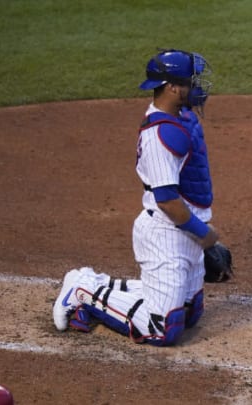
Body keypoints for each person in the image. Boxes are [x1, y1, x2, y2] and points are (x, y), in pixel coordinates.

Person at [52, 49, 221, 346]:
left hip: (186, 229)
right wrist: (206, 237)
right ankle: (83, 291)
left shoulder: (181, 115)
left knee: (190, 313)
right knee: (163, 329)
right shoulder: (159, 135)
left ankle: (99, 282)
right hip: (167, 231)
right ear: (171, 87)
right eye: (189, 82)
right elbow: (167, 201)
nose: (196, 87)